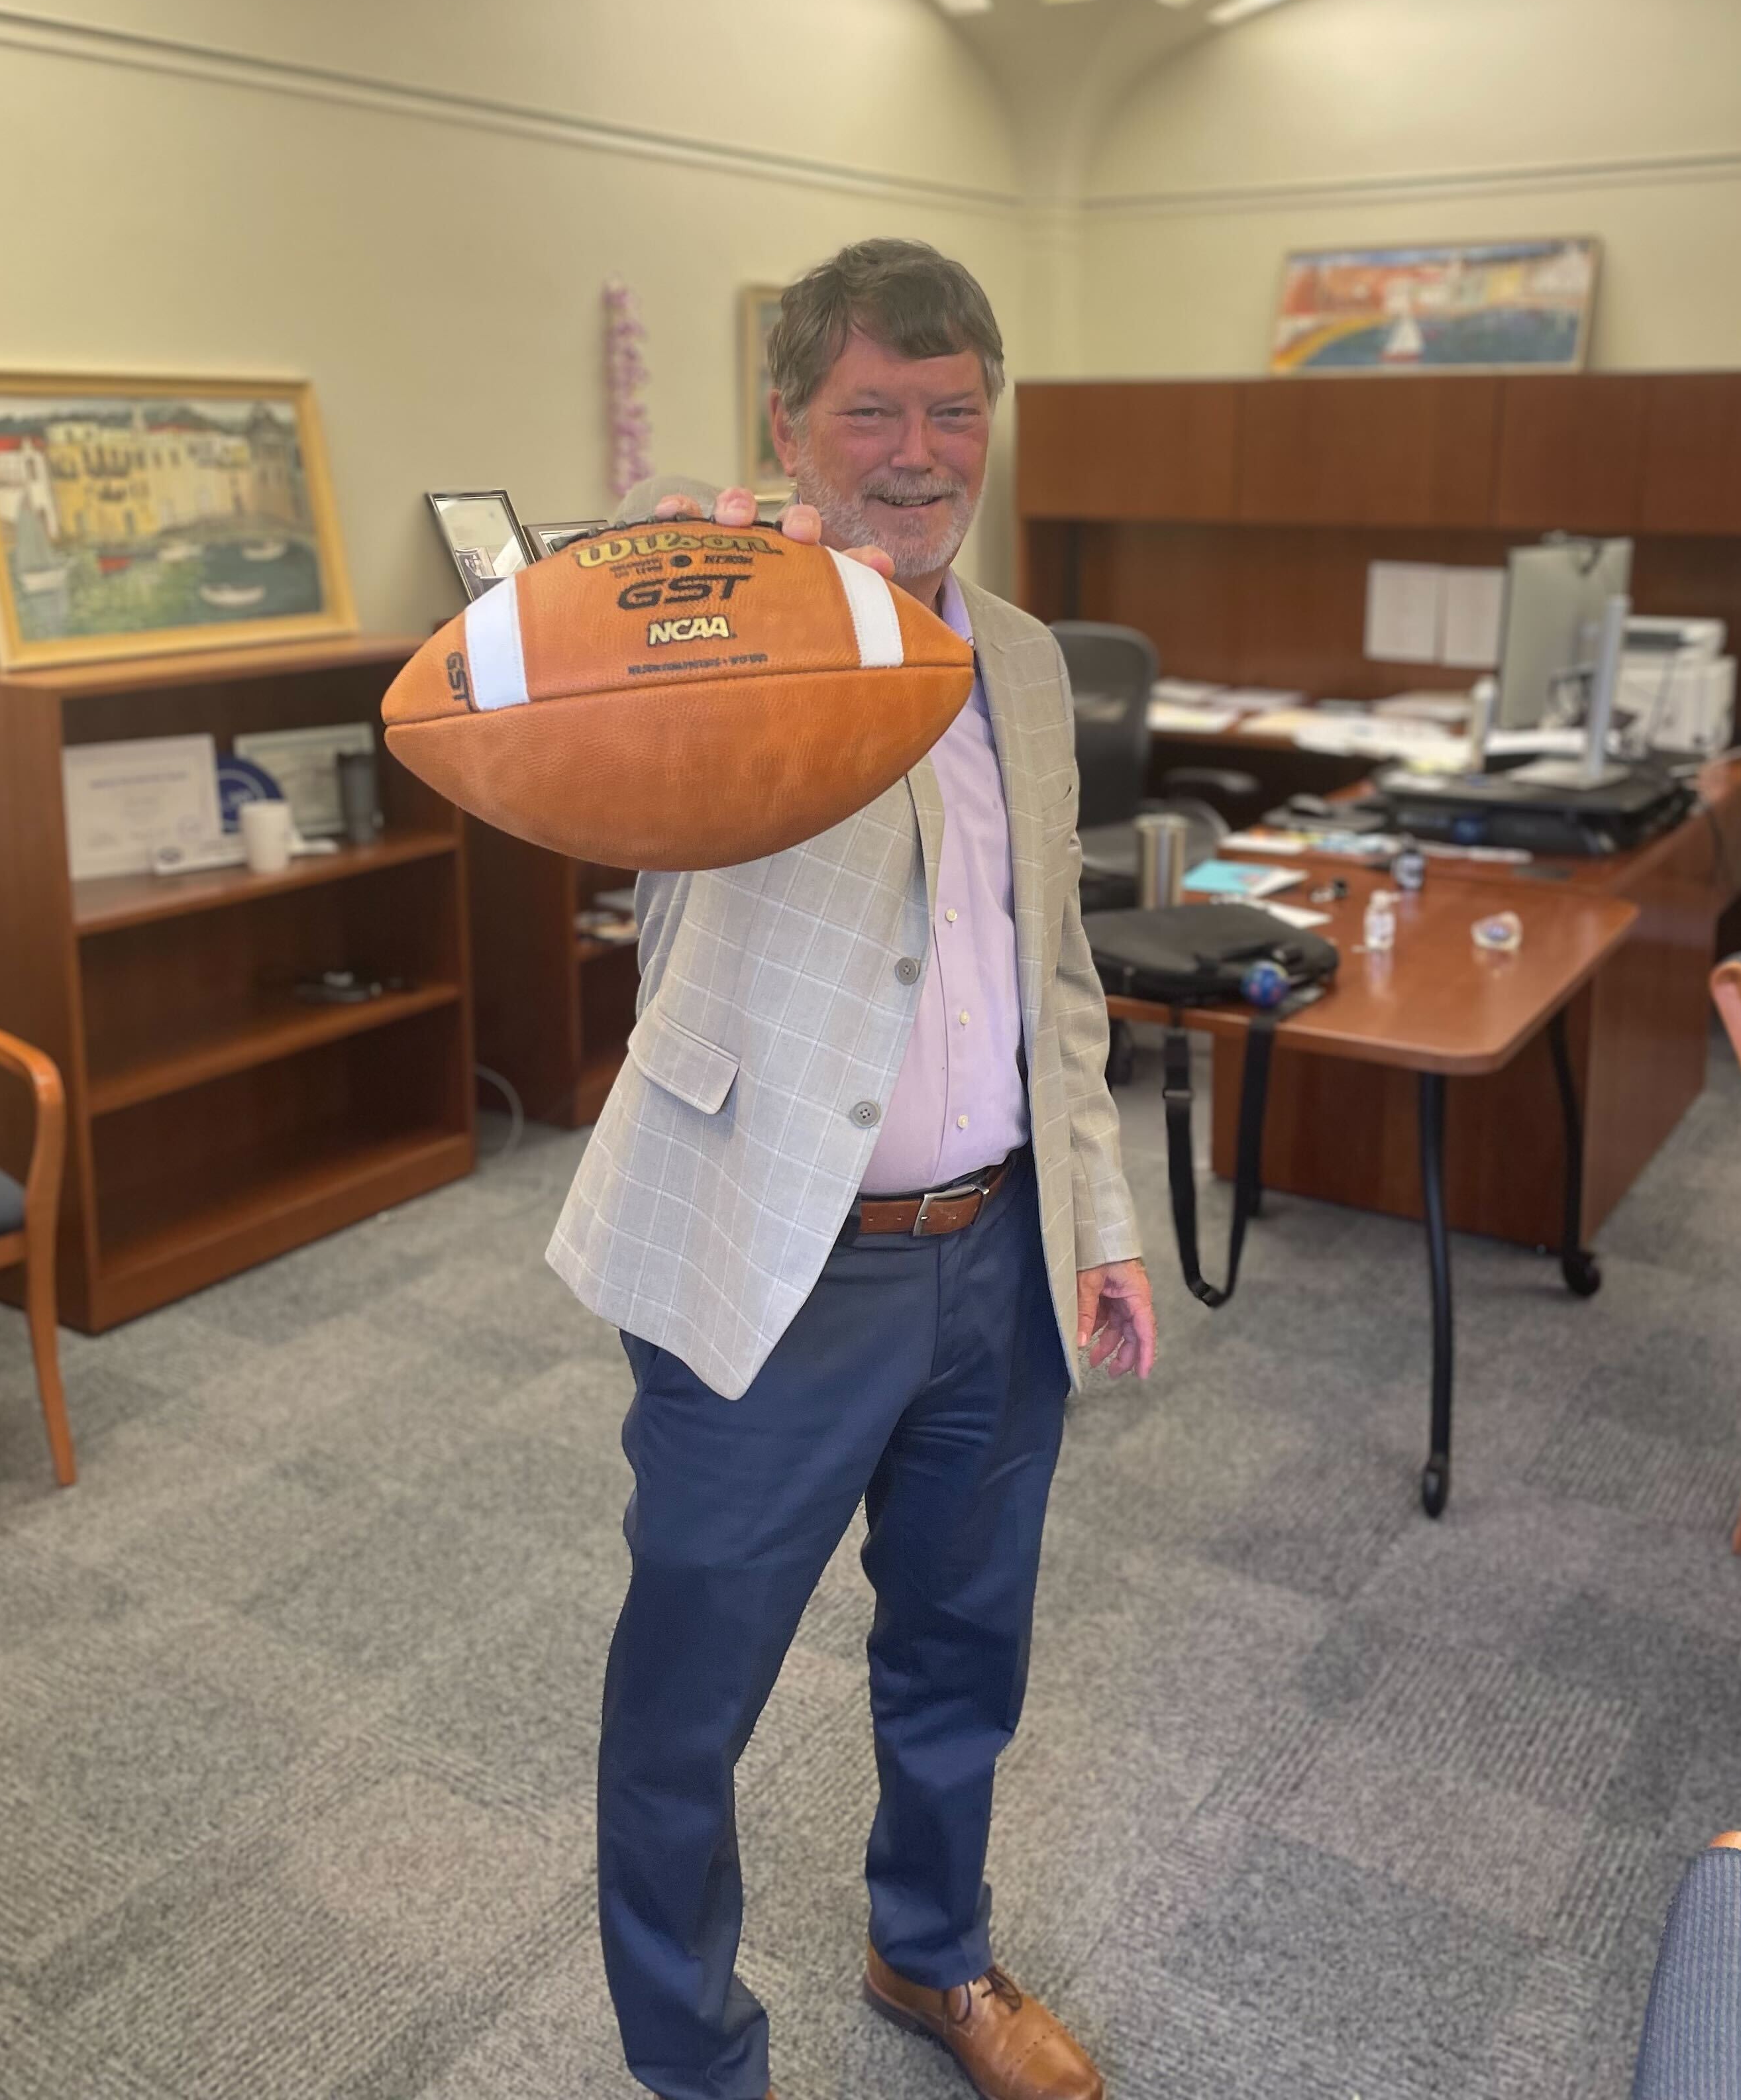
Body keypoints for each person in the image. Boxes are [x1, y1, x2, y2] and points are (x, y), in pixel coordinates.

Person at [548, 238, 1157, 2100]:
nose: (917, 451)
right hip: (777, 1262)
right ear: (790, 424)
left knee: (966, 1651)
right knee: (690, 1698)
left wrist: (1104, 1222)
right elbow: (590, 726)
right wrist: (711, 577)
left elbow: (1051, 962)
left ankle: (933, 1955)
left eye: (953, 411)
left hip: (998, 1249)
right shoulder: (723, 621)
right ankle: (692, 2064)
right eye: (872, 411)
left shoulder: (1030, 662)